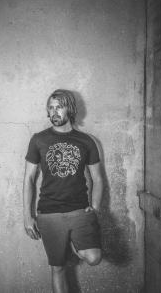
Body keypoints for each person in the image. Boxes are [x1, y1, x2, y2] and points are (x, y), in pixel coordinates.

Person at [23, 89, 103, 293]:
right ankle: (65, 246)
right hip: (49, 213)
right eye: (50, 108)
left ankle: (72, 245)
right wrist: (27, 215)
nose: (54, 112)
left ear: (71, 109)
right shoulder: (38, 139)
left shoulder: (86, 141)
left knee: (93, 257)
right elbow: (29, 179)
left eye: (59, 107)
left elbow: (98, 178)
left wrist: (95, 207)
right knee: (58, 268)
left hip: (79, 210)